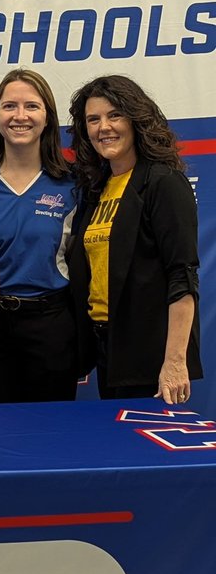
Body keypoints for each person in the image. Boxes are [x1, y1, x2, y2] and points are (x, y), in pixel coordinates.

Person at [67, 74, 201, 404]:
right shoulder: (96, 188)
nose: (104, 127)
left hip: (151, 355)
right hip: (107, 348)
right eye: (93, 120)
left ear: (136, 119)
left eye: (115, 115)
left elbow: (182, 276)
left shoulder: (163, 182)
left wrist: (175, 362)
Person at [0, 68, 79, 402]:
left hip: (51, 325)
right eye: (9, 106)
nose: (20, 116)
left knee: (51, 426)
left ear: (48, 118)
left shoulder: (73, 184)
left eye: (31, 106)